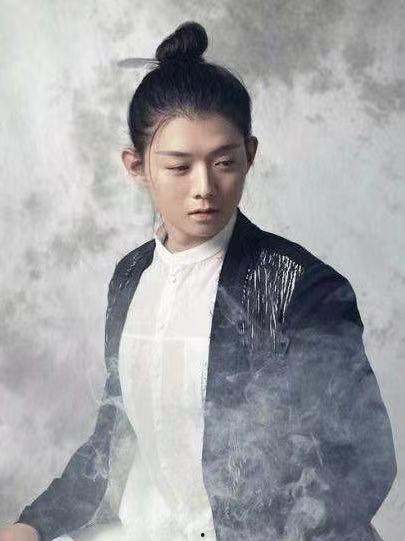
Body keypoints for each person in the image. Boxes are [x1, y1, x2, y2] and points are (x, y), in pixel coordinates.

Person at [1, 20, 396, 541]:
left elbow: (364, 460)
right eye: (179, 167)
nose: (204, 187)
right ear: (137, 166)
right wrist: (33, 525)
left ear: (250, 154)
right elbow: (115, 441)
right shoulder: (130, 278)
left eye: (224, 162)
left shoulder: (297, 288)